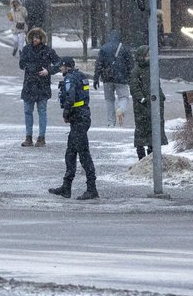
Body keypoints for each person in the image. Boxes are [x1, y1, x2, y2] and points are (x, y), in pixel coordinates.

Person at [49, 57, 99, 200]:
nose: (60, 69)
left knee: (83, 154)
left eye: (61, 67)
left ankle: (92, 188)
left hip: (78, 118)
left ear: (66, 66)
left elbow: (70, 98)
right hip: (82, 116)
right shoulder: (81, 76)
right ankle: (66, 187)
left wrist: (66, 113)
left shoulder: (70, 78)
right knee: (70, 152)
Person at [18, 27, 60, 147]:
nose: (35, 40)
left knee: (42, 111)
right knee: (28, 111)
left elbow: (59, 63)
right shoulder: (26, 49)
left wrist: (48, 71)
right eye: (33, 37)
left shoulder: (48, 51)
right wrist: (27, 65)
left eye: (37, 38)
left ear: (41, 39)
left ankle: (41, 137)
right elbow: (21, 64)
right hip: (29, 84)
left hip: (42, 84)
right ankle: (28, 137)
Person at [129, 44, 166, 161]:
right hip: (142, 107)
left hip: (154, 105)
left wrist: (161, 97)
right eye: (147, 56)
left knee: (154, 132)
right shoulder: (136, 71)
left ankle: (152, 157)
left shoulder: (152, 69)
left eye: (150, 56)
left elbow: (157, 85)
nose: (149, 58)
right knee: (142, 131)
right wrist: (142, 99)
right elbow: (134, 88)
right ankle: (142, 158)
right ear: (141, 57)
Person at [95, 29, 133, 126]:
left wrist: (96, 78)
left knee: (109, 99)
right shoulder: (124, 48)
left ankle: (111, 122)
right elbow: (130, 65)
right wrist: (131, 77)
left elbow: (98, 64)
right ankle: (121, 109)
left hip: (107, 78)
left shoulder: (104, 48)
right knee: (123, 97)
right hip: (122, 78)